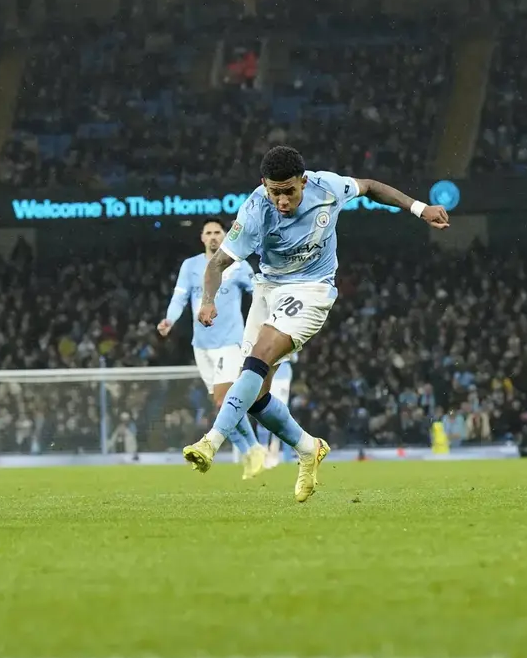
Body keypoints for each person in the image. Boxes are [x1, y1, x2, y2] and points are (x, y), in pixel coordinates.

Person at [182, 147, 450, 502]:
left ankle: (211, 442)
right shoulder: (254, 209)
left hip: (312, 289)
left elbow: (369, 186)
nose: (281, 200)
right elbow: (217, 264)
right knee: (256, 394)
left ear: (303, 182)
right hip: (268, 289)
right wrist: (207, 301)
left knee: (257, 358)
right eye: (274, 191)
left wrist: (419, 208)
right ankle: (308, 447)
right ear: (264, 185)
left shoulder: (327, 188)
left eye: (288, 191)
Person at [158, 217, 266, 480]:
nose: (214, 236)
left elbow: (259, 291)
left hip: (230, 342)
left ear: (225, 235)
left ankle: (253, 449)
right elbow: (179, 297)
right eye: (209, 233)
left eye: (218, 232)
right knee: (223, 404)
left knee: (222, 399)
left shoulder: (237, 266)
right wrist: (169, 320)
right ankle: (249, 452)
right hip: (202, 345)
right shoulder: (191, 266)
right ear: (202, 238)